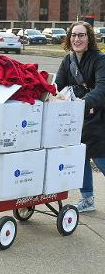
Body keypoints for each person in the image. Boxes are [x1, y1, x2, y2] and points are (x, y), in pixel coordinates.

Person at [55, 21, 105, 213]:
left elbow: (102, 88)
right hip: (77, 117)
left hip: (98, 115)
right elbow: (57, 86)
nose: (77, 39)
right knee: (80, 157)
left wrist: (84, 103)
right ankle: (87, 199)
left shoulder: (99, 60)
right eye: (74, 35)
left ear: (89, 38)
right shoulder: (68, 61)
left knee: (100, 158)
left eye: (81, 35)